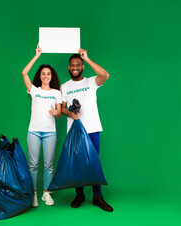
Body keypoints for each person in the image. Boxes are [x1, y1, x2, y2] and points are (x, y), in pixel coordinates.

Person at [60, 49, 113, 212]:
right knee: (78, 165)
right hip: (75, 131)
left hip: (92, 129)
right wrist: (71, 113)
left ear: (82, 67)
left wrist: (87, 58)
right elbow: (62, 108)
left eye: (78, 65)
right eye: (72, 65)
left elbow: (105, 75)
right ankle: (80, 195)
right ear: (69, 68)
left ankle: (98, 197)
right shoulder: (64, 86)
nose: (75, 67)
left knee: (93, 163)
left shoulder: (91, 82)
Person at [22, 44, 62, 207]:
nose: (46, 76)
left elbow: (59, 113)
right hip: (34, 132)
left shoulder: (56, 93)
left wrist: (55, 113)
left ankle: (46, 193)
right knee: (32, 165)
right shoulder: (34, 90)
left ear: (52, 76)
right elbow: (24, 73)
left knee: (49, 165)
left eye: (49, 73)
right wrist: (37, 55)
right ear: (40, 75)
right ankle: (34, 195)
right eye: (43, 73)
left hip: (50, 133)